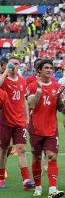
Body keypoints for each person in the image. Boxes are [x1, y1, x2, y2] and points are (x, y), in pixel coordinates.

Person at [26, 59, 65, 198]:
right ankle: (37, 186)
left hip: (51, 129)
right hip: (36, 129)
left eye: (51, 68)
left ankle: (52, 189)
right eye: (46, 68)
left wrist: (59, 97)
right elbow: (32, 105)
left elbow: (61, 109)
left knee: (52, 157)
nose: (50, 70)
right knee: (36, 158)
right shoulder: (32, 86)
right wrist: (38, 89)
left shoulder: (57, 86)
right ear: (39, 70)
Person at [0, 57, 34, 190]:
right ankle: (1, 178)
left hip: (19, 121)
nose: (14, 66)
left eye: (16, 64)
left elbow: (24, 99)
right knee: (4, 150)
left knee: (21, 149)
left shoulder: (21, 80)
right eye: (12, 63)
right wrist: (6, 71)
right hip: (5, 120)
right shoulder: (4, 79)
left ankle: (26, 179)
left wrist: (27, 117)